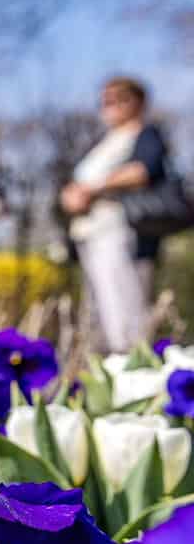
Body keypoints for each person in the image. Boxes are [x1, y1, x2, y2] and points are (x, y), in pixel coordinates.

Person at [62, 76, 170, 353]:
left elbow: (143, 171)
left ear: (140, 102)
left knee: (125, 309)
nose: (112, 105)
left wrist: (93, 189)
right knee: (100, 311)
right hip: (91, 233)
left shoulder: (145, 134)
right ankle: (110, 370)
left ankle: (135, 368)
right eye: (106, 99)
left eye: (121, 98)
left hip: (120, 233)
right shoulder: (105, 140)